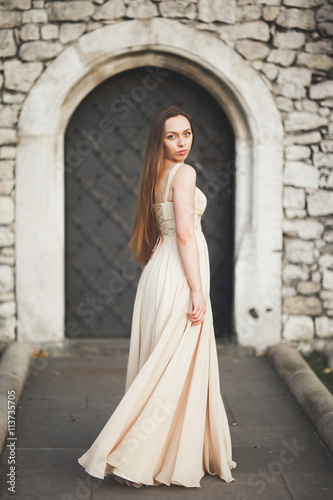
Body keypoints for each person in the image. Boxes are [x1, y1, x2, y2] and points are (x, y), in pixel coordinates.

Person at [77, 106, 237, 488]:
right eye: (171, 136)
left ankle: (163, 450)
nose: (182, 143)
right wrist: (197, 290)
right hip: (180, 276)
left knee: (165, 364)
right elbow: (184, 234)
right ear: (159, 139)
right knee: (175, 367)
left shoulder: (155, 173)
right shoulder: (184, 173)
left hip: (158, 274)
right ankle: (135, 455)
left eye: (186, 133)